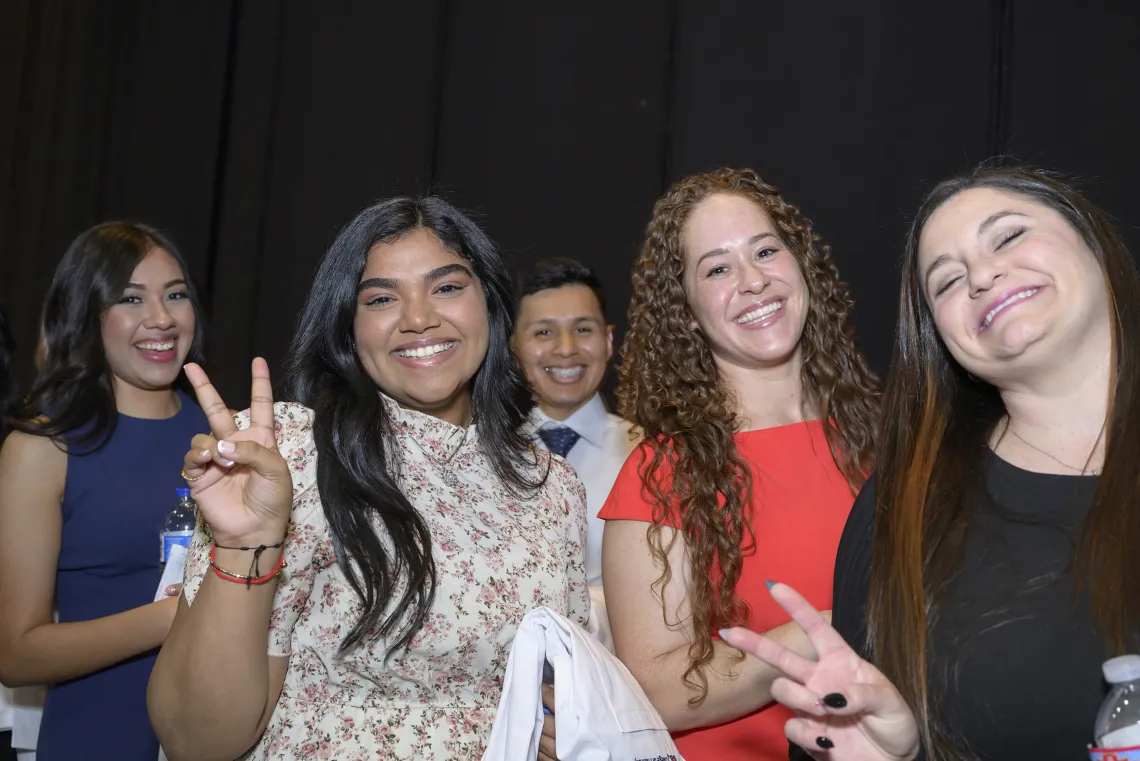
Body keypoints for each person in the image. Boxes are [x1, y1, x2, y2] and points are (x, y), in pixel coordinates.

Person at [147, 197, 590, 761]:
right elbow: (196, 742)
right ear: (347, 326)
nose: (418, 318)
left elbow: (561, 688)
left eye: (447, 287)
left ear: (492, 306)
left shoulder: (553, 487)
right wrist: (243, 543)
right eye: (381, 298)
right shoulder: (292, 456)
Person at [721, 165, 1140, 761]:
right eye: (946, 282)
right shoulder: (905, 509)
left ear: (1092, 242)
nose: (983, 275)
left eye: (1009, 236)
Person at [600, 168, 880, 760]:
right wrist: (820, 632)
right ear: (687, 308)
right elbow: (658, 687)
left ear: (802, 265)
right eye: (718, 268)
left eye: (765, 251)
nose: (752, 281)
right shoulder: (662, 472)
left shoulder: (890, 436)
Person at [0, 223, 210, 761]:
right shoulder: (43, 449)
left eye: (176, 294)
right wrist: (173, 616)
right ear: (87, 315)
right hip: (97, 736)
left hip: (217, 733)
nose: (161, 318)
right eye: (130, 298)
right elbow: (15, 652)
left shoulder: (222, 434)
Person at [513, 257, 638, 590]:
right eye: (544, 332)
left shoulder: (649, 454)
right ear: (514, 349)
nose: (566, 349)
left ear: (609, 341)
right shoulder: (483, 457)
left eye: (582, 329)